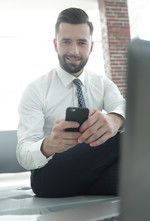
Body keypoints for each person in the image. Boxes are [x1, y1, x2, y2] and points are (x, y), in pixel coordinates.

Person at [16, 8, 126, 197]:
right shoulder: (36, 89)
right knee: (130, 137)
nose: (74, 51)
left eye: (82, 43)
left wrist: (115, 120)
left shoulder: (102, 83)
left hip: (91, 171)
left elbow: (123, 107)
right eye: (66, 42)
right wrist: (49, 144)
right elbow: (23, 153)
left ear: (90, 47)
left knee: (142, 178)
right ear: (55, 45)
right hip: (50, 175)